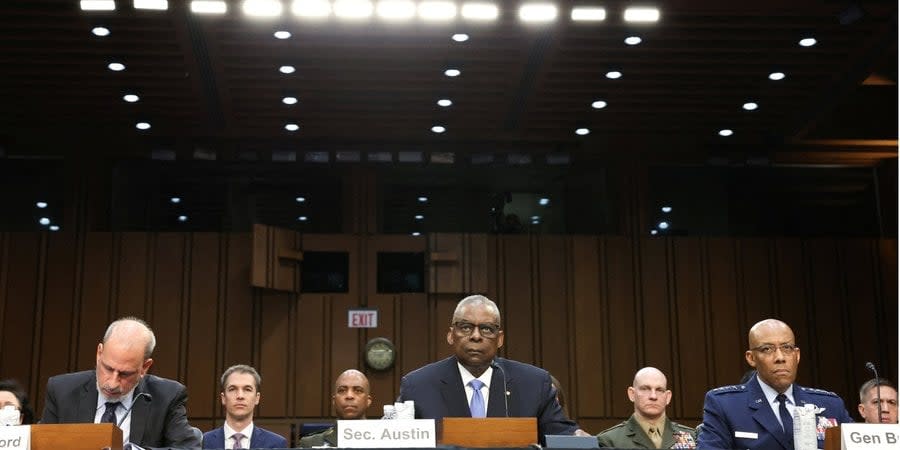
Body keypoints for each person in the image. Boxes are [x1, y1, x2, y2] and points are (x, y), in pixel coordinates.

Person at [397, 295, 586, 444]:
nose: (476, 336)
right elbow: (393, 436)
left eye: (486, 329)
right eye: (465, 327)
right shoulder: (418, 386)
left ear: (500, 339)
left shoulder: (534, 383)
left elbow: (563, 434)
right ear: (450, 335)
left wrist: (579, 437)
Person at [40, 317, 200, 450]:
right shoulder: (62, 390)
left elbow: (188, 449)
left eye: (125, 374)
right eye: (108, 368)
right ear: (99, 353)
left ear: (145, 367)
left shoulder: (167, 396)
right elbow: (39, 445)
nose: (113, 382)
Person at [698, 318, 853, 450]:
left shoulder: (830, 405)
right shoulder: (725, 405)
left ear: (797, 355)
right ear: (751, 358)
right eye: (767, 349)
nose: (780, 357)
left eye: (787, 348)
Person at [596, 367, 696, 449]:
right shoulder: (610, 440)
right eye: (645, 389)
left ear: (668, 397)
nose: (653, 396)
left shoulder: (693, 437)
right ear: (632, 394)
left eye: (659, 390)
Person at [202, 365, 287, 449]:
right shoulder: (203, 442)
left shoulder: (276, 444)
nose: (240, 396)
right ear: (223, 398)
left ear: (257, 398)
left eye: (247, 389)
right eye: (232, 389)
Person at [299, 369, 373, 447]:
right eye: (342, 391)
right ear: (334, 401)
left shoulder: (384, 440)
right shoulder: (311, 444)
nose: (349, 396)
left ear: (368, 401)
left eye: (358, 390)